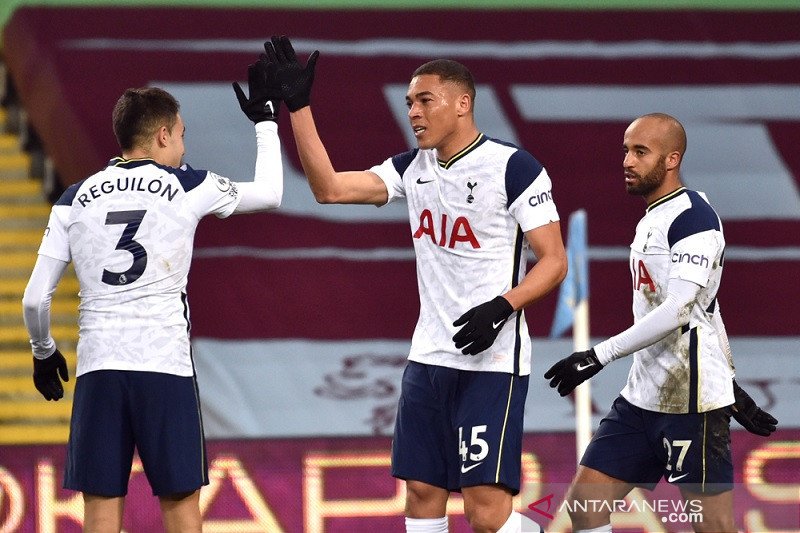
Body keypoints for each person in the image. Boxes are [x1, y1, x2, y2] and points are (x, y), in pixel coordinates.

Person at [262, 36, 567, 533]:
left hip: (491, 362)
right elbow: (329, 189)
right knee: (422, 493)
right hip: (428, 357)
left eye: (426, 100)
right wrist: (298, 107)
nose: (414, 112)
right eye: (409, 103)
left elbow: (554, 261)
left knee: (485, 511)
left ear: (463, 103)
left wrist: (501, 308)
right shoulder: (412, 168)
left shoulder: (514, 168)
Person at [22, 49, 284, 532]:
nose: (184, 147)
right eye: (181, 136)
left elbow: (35, 299)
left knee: (101, 515)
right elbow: (270, 193)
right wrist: (266, 123)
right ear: (162, 134)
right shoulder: (188, 185)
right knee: (181, 511)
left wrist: (43, 351)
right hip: (164, 367)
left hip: (100, 368)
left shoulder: (73, 196)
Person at [544, 113, 779, 533]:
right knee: (584, 511)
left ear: (672, 159)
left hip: (691, 406)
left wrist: (599, 355)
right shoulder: (653, 216)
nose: (627, 161)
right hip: (641, 397)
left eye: (640, 151)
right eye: (625, 150)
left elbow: (680, 310)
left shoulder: (695, 220)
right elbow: (711, 308)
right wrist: (733, 383)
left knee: (714, 528)